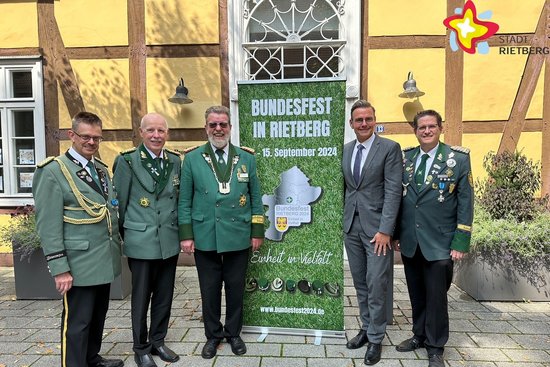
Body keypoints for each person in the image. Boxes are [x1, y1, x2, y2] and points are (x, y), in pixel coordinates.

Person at [32, 112, 124, 367]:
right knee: (77, 322)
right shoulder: (53, 171)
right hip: (78, 262)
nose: (92, 142)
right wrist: (60, 268)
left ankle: (91, 358)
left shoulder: (100, 170)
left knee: (97, 316)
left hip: (103, 259)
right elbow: (48, 224)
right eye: (86, 136)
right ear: (72, 135)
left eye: (97, 138)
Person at [178, 105, 264, 359]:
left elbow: (255, 196)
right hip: (206, 234)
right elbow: (184, 200)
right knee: (210, 289)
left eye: (223, 124)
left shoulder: (247, 158)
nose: (218, 129)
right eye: (213, 124)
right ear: (206, 127)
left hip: (238, 234)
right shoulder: (192, 159)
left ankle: (233, 333)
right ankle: (213, 335)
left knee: (236, 288)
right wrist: (186, 234)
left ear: (230, 127)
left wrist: (256, 230)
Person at [393, 109, 474, 367]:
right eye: (421, 127)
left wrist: (461, 241)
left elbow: (465, 201)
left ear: (440, 128)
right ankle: (419, 335)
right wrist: (395, 233)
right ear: (415, 131)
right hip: (411, 240)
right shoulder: (406, 158)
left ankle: (436, 347)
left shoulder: (457, 159)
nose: (426, 131)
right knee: (416, 293)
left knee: (437, 296)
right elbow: (399, 199)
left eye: (431, 126)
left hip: (440, 242)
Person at [113, 113, 181, 367]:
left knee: (164, 295)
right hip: (141, 241)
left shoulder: (174, 161)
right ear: (141, 133)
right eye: (150, 130)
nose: (156, 135)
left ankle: (158, 341)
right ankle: (140, 347)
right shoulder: (128, 161)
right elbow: (118, 202)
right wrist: (126, 236)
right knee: (141, 297)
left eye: (161, 131)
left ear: (167, 133)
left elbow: (175, 198)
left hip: (169, 241)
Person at [342, 100, 403, 365]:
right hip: (352, 227)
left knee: (377, 283)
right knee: (360, 283)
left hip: (378, 232)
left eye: (368, 119)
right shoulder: (345, 150)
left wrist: (386, 230)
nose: (364, 124)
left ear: (375, 120)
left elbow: (393, 191)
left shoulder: (389, 148)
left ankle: (376, 339)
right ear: (351, 123)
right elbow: (347, 188)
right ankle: (366, 329)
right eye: (358, 120)